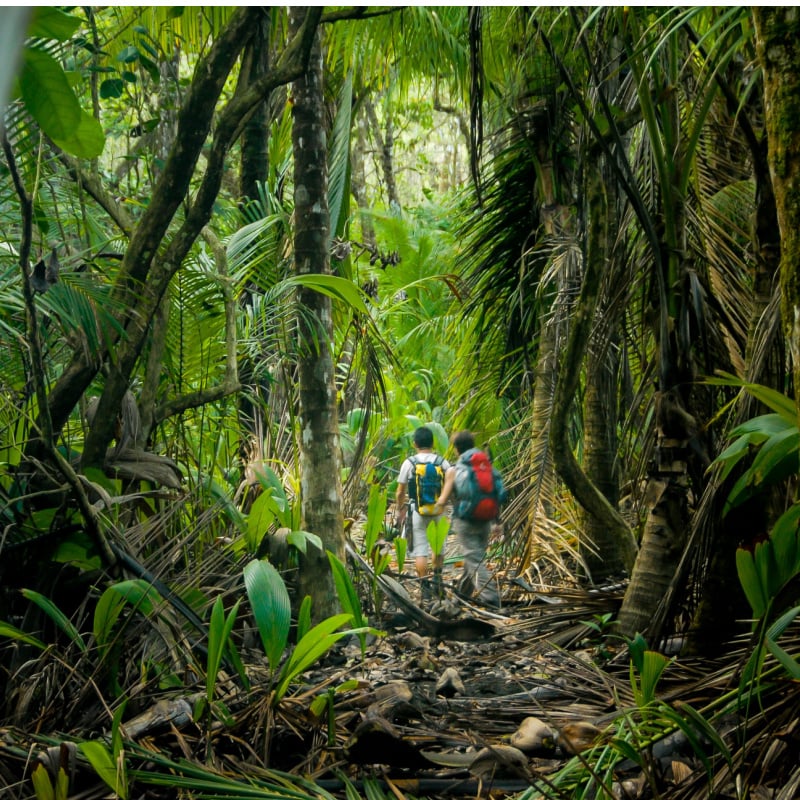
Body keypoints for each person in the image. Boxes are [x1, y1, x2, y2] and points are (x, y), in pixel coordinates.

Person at [436, 430, 503, 608]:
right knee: (474, 557)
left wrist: (437, 507)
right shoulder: (486, 465)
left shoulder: (456, 469)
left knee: (474, 559)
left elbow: (444, 498)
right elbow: (496, 492)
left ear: (457, 449)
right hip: (486, 519)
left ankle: (490, 597)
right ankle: (461, 596)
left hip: (465, 519)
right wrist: (498, 522)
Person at [396, 426, 450, 599]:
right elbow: (450, 484)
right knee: (437, 546)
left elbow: (400, 492)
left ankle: (425, 587)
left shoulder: (409, 463)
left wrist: (400, 509)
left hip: (417, 511)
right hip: (438, 510)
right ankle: (438, 579)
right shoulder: (442, 462)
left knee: (421, 550)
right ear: (433, 443)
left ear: (415, 444)